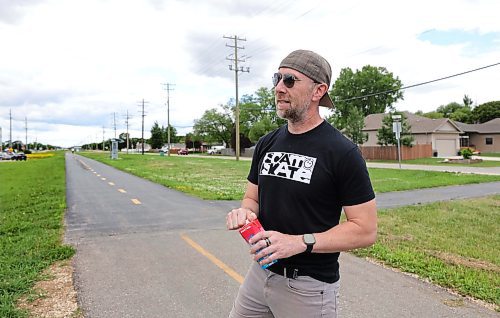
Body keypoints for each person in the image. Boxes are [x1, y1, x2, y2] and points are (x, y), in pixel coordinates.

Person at [226, 49, 377, 318]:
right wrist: (246, 213)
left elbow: (365, 230)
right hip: (260, 275)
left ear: (319, 90)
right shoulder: (267, 143)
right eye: (277, 78)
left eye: (290, 80)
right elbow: (252, 199)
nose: (279, 87)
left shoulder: (342, 152)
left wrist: (299, 242)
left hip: (308, 287)